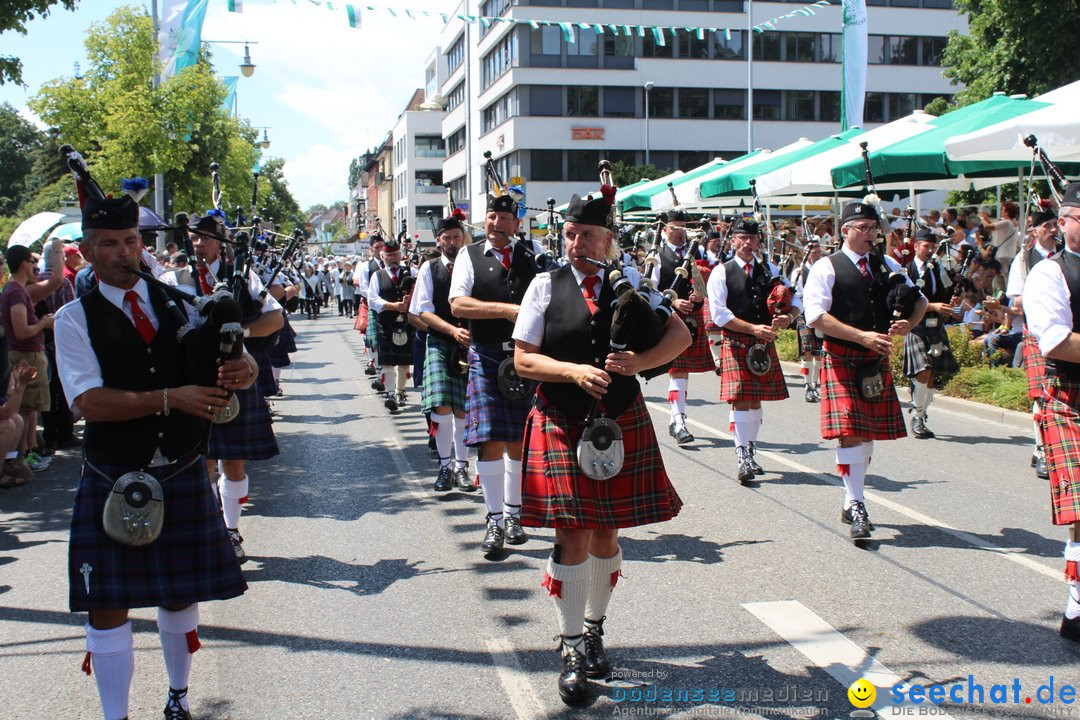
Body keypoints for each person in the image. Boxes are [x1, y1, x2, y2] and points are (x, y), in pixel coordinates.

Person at [55, 194, 250, 720]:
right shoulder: (73, 319)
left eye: (130, 241)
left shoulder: (181, 301)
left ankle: (178, 697)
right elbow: (87, 403)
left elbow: (238, 362)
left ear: (142, 243)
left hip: (181, 464)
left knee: (181, 594)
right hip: (114, 470)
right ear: (88, 251)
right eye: (110, 244)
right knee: (107, 606)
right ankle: (115, 715)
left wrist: (242, 369)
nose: (123, 252)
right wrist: (171, 398)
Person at [513, 190, 688, 706]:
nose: (576, 243)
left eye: (587, 234)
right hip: (561, 418)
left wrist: (640, 363)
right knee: (572, 532)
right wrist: (571, 370)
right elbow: (524, 361)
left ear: (609, 241)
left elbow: (680, 334)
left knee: (606, 531)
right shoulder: (545, 286)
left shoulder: (631, 282)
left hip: (619, 417)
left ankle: (594, 630)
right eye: (570, 233)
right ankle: (569, 649)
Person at [803, 201, 926, 541]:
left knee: (865, 431)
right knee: (850, 431)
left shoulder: (885, 263)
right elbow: (816, 316)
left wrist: (907, 324)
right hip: (842, 356)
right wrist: (862, 336)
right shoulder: (826, 267)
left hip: (874, 361)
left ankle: (850, 496)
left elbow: (921, 301)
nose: (872, 234)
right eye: (865, 228)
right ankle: (857, 502)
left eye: (874, 228)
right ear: (846, 230)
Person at [189, 213, 284, 561]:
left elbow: (275, 317)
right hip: (192, 378)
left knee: (233, 462)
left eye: (205, 238)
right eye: (194, 237)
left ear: (220, 243)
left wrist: (239, 333)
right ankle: (209, 527)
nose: (199, 244)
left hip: (236, 374)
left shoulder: (243, 277)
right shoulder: (174, 277)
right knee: (201, 462)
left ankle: (230, 530)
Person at [449, 192, 539, 557]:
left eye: (504, 219)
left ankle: (515, 515)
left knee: (520, 441)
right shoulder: (468, 256)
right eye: (491, 217)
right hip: (487, 358)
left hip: (527, 357)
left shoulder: (533, 257)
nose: (497, 224)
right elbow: (458, 303)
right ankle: (494, 521)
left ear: (517, 224)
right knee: (490, 442)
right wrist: (504, 310)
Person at [1022, 182, 1080, 643]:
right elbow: (1056, 341)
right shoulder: (1050, 274)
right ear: (1063, 223)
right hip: (1072, 398)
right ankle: (1077, 604)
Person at [707, 217, 798, 483]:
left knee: (755, 401)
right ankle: (742, 456)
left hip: (763, 344)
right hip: (737, 343)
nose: (747, 243)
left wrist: (788, 317)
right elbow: (719, 314)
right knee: (740, 400)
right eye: (742, 238)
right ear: (733, 240)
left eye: (752, 238)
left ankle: (750, 448)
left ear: (759, 240)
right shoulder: (721, 272)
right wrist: (754, 329)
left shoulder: (770, 269)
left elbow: (797, 299)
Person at [993, 205, 1062, 479]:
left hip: (1065, 333)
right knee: (1042, 396)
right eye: (1047, 226)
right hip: (1038, 333)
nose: (1053, 230)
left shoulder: (1066, 256)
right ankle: (1043, 449)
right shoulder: (1024, 259)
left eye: (1056, 224)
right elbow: (1018, 303)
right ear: (1034, 230)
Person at [411, 216, 474, 492]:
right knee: (442, 407)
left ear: (463, 238)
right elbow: (423, 311)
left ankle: (462, 467)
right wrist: (452, 331)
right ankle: (444, 467)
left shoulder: (473, 265)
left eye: (456, 237)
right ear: (439, 240)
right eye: (446, 238)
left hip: (469, 344)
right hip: (440, 342)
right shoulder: (430, 268)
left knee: (463, 409)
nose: (451, 243)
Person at [648, 209, 713, 445]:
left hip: (693, 319)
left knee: (682, 372)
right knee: (677, 370)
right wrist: (673, 300)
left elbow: (705, 284)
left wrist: (699, 295)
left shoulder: (696, 251)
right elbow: (649, 288)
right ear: (665, 229)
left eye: (683, 228)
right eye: (675, 228)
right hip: (670, 319)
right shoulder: (656, 255)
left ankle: (677, 419)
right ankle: (679, 420)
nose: (680, 233)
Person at [0, 243, 62, 473]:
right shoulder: (15, 291)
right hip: (26, 353)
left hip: (27, 352)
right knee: (26, 408)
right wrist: (44, 323)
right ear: (24, 263)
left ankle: (26, 456)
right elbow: (21, 331)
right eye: (32, 261)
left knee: (29, 408)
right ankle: (22, 457)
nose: (35, 266)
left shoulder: (16, 290)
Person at [903, 228, 960, 438]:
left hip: (936, 327)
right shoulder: (907, 271)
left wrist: (952, 302)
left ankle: (922, 413)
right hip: (916, 326)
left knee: (932, 375)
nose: (929, 250)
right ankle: (917, 416)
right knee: (924, 370)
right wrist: (933, 306)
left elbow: (945, 293)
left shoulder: (937, 269)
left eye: (933, 247)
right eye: (926, 246)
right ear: (916, 246)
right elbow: (907, 303)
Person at [367, 238, 416, 412]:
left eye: (395, 254)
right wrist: (393, 306)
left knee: (404, 361)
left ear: (400, 254)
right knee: (387, 361)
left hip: (407, 323)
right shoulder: (377, 276)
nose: (392, 258)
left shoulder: (411, 271)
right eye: (388, 255)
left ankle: (400, 391)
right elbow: (372, 299)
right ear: (383, 255)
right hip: (386, 323)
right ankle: (389, 393)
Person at [793, 240, 825, 402]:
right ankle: (808, 387)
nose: (815, 252)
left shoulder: (826, 268)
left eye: (818, 250)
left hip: (822, 315)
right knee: (807, 351)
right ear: (805, 251)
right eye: (811, 250)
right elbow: (797, 295)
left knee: (819, 352)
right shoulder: (799, 271)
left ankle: (815, 384)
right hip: (805, 314)